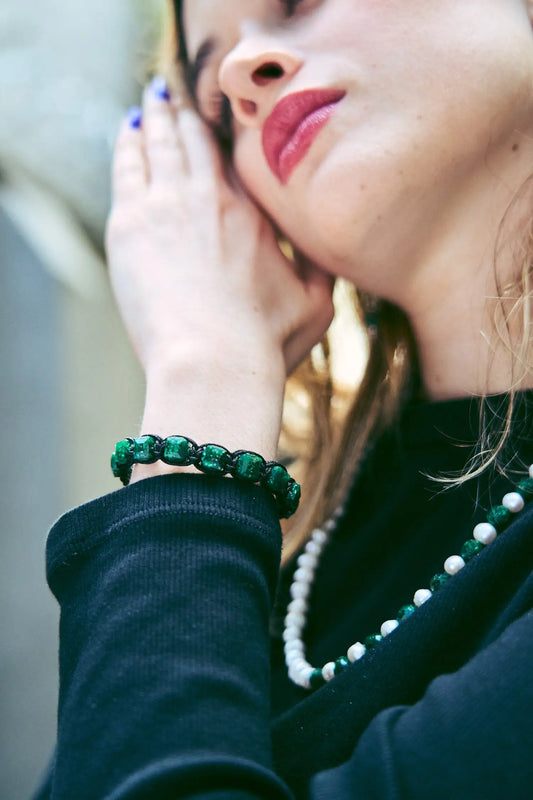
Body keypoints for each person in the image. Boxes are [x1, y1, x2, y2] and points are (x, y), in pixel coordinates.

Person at [35, 1, 533, 798]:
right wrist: (211, 375)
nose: (238, 74)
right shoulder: (239, 570)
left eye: (296, 1)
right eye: (207, 106)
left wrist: (197, 394)